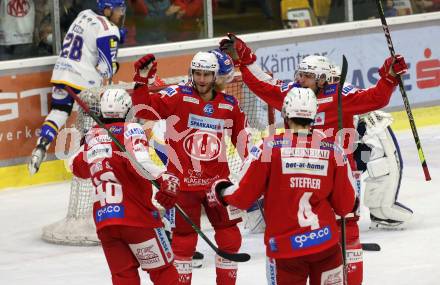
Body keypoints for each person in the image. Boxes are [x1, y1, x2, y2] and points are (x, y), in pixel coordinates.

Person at [219, 33, 410, 285]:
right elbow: (262, 85)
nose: (299, 79)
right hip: (302, 170)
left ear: (322, 79)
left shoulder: (342, 94)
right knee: (311, 231)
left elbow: (376, 98)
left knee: (348, 231)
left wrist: (388, 79)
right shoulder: (292, 94)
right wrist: (246, 58)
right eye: (299, 74)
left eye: (306, 76)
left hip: (342, 172)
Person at [207, 87, 356, 285]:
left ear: (285, 114)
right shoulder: (334, 149)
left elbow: (243, 197)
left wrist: (221, 191)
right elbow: (345, 206)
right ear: (314, 116)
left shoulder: (268, 147)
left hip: (286, 251)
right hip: (325, 244)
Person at [131, 51, 249, 285]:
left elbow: (243, 141)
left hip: (217, 186)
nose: (202, 79)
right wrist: (141, 80)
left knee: (230, 239)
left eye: (207, 74)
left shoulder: (229, 104)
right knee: (183, 241)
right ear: (191, 72)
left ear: (215, 76)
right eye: (198, 73)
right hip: (183, 184)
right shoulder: (177, 95)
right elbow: (144, 111)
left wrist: (252, 174)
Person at [69, 88, 179, 285]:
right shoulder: (131, 129)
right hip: (137, 220)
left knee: (123, 278)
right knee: (163, 272)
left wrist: (92, 141)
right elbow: (140, 161)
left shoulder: (92, 136)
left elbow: (75, 167)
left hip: (106, 223)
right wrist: (165, 178)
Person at [28, 0, 126, 175]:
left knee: (59, 111)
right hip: (84, 81)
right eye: (119, 9)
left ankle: (42, 144)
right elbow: (106, 71)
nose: (122, 13)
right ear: (107, 10)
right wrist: (115, 59)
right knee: (100, 119)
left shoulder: (84, 14)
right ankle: (95, 160)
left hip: (61, 72)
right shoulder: (108, 29)